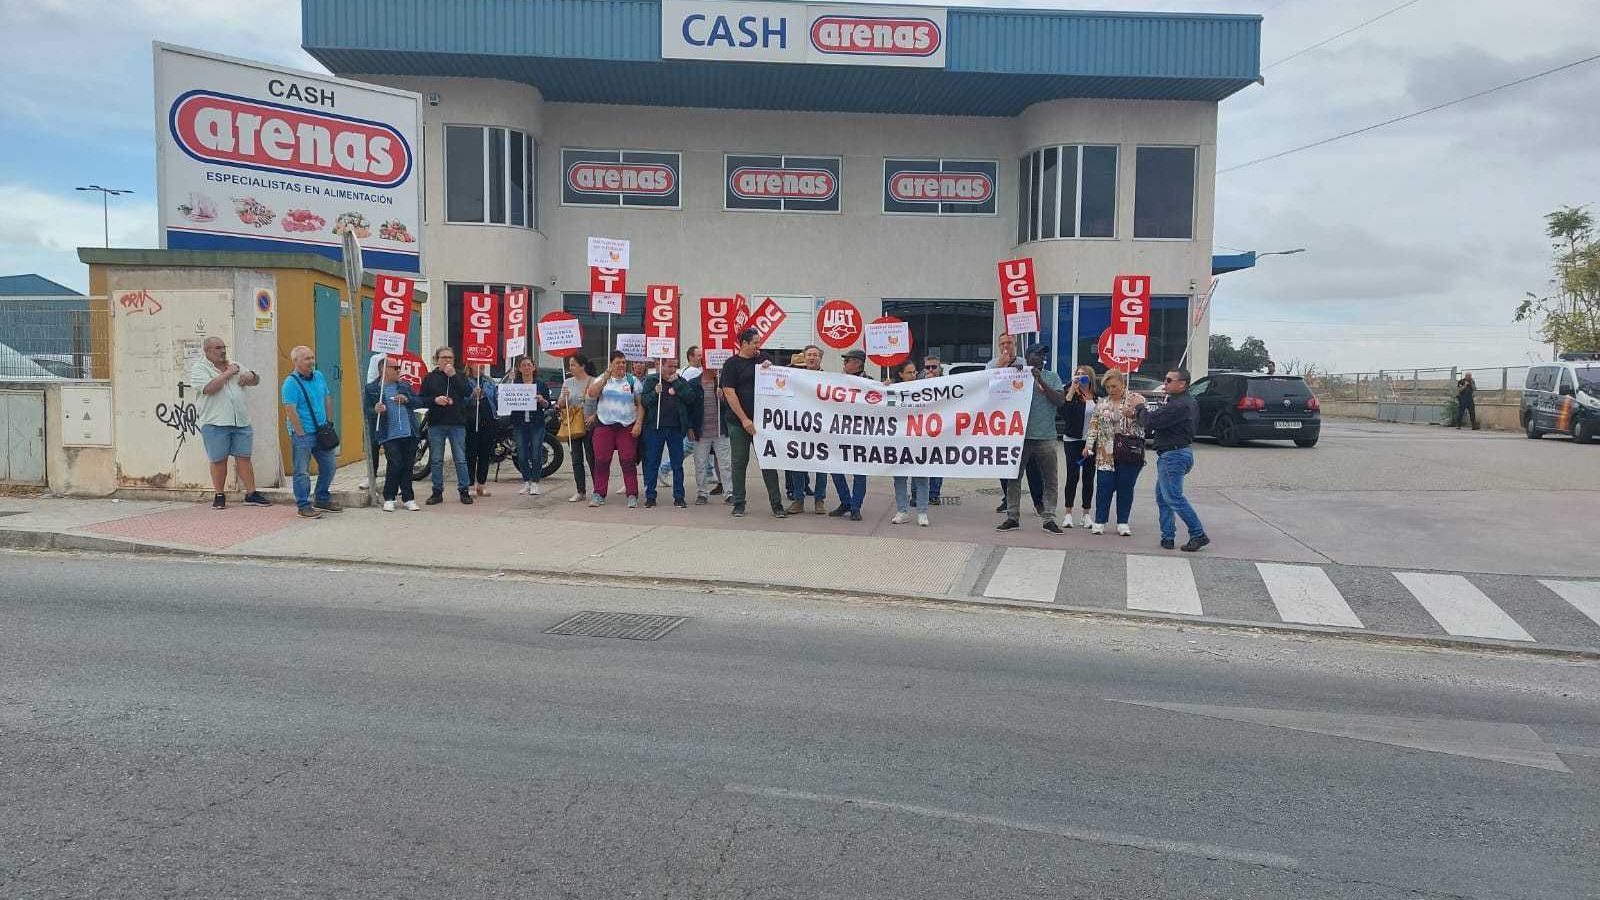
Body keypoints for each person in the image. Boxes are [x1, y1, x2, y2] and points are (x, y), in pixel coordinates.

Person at [189, 336, 269, 509]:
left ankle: (251, 493)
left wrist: (251, 375)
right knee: (218, 460)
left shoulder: (234, 364)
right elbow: (209, 389)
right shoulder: (200, 368)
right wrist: (228, 373)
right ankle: (219, 494)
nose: (222, 351)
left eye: (223, 347)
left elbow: (256, 381)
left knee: (244, 458)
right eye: (217, 348)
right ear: (207, 351)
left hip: (240, 421)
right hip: (215, 422)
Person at [998, 344, 1064, 533]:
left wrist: (1040, 380)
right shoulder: (1016, 374)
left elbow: (1060, 401)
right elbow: (996, 394)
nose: (1041, 357)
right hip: (1020, 437)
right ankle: (1012, 517)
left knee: (1050, 480)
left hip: (1046, 437)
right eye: (1037, 354)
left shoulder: (1052, 376)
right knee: (1014, 478)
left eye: (1043, 354)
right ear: (1027, 357)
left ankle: (1049, 518)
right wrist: (1011, 372)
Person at [721, 328, 786, 519]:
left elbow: (780, 381)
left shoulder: (763, 358)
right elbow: (729, 393)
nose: (759, 346)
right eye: (755, 342)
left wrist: (771, 368)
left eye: (759, 342)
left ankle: (777, 504)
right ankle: (739, 503)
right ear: (744, 343)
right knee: (739, 462)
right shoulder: (731, 364)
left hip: (763, 423)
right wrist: (744, 420)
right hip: (738, 422)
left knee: (768, 462)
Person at [1148, 367, 1208, 552]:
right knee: (1163, 496)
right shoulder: (1181, 402)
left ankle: (1198, 534)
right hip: (1175, 453)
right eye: (1165, 379)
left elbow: (1151, 421)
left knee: (1173, 497)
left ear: (1182, 384)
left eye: (1168, 380)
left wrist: (1140, 407)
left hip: (1173, 455)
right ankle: (1167, 536)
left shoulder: (1179, 405)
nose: (1164, 383)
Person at [280, 345, 341, 518]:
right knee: (302, 471)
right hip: (304, 434)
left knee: (329, 466)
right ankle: (303, 504)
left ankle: (322, 497)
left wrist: (329, 422)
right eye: (307, 358)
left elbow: (327, 398)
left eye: (312, 357)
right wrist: (300, 432)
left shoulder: (319, 376)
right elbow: (290, 409)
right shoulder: (291, 383)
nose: (311, 361)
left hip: (322, 430)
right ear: (296, 361)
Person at [1083, 370, 1147, 536]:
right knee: (1104, 486)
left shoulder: (1136, 400)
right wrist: (1088, 445)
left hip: (1128, 452)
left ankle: (1123, 522)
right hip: (1106, 453)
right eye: (1108, 387)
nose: (1111, 389)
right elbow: (1093, 426)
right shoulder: (1102, 403)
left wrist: (1132, 415)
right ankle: (1100, 521)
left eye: (1114, 386)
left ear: (1123, 384)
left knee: (1126, 487)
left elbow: (1145, 425)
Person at [988, 334, 1043, 515]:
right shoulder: (991, 364)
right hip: (1004, 424)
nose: (1006, 347)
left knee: (1032, 466)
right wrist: (1002, 367)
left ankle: (1039, 503)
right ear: (998, 346)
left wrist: (1024, 370)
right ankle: (1008, 499)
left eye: (1009, 343)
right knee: (1005, 465)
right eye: (1003, 343)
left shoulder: (1025, 361)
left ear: (1015, 345)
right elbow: (987, 387)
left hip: (1025, 423)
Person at [586, 350, 644, 508]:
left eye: (623, 362)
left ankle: (632, 494)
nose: (621, 365)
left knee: (628, 460)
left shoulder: (633, 381)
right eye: (618, 362)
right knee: (602, 461)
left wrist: (638, 423)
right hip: (605, 425)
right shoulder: (602, 379)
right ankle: (599, 494)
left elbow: (640, 405)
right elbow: (591, 394)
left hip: (626, 426)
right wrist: (605, 377)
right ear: (611, 364)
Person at [640, 355, 700, 509]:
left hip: (675, 428)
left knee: (677, 464)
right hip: (655, 428)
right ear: (661, 366)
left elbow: (690, 399)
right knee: (653, 462)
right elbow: (644, 401)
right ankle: (650, 496)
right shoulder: (652, 380)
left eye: (675, 367)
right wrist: (655, 393)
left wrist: (677, 384)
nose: (673, 370)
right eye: (670, 366)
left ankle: (679, 496)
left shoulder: (680, 381)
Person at [417, 347, 474, 505]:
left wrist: (453, 376)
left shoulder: (460, 375)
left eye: (450, 357)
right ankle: (437, 491)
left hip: (457, 423)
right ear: (437, 360)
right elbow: (421, 399)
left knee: (461, 459)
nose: (447, 360)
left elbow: (467, 392)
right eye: (443, 357)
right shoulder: (430, 378)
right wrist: (435, 400)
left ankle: (464, 490)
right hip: (436, 423)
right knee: (436, 459)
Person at [365, 356, 422, 512]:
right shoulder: (372, 388)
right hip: (388, 433)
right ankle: (389, 497)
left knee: (408, 464)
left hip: (409, 431)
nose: (399, 370)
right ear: (383, 370)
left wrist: (406, 399)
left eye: (399, 367)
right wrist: (375, 410)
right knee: (395, 462)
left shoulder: (404, 385)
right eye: (395, 368)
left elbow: (418, 402)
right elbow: (366, 410)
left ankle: (408, 497)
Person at [827, 349, 872, 521]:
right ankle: (845, 501)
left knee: (860, 472)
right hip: (839, 431)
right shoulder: (837, 381)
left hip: (861, 434)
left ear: (858, 363)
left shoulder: (870, 383)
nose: (844, 364)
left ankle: (855, 507)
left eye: (847, 361)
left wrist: (886, 387)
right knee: (834, 467)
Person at [785, 344, 828, 514]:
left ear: (820, 358)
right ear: (804, 357)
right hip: (799, 428)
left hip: (821, 428)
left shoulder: (829, 379)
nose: (811, 357)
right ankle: (798, 500)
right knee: (797, 464)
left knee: (821, 466)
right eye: (809, 354)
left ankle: (819, 500)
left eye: (815, 355)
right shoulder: (795, 377)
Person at [889, 360, 932, 526]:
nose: (913, 375)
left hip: (920, 440)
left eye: (914, 372)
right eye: (909, 372)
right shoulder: (893, 391)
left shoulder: (924, 389)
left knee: (921, 478)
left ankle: (922, 512)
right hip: (899, 441)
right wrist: (886, 388)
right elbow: (888, 409)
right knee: (900, 479)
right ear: (900, 374)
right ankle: (902, 511)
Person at [1058, 364, 1099, 528]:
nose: (1080, 377)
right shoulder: (1072, 393)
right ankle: (1068, 513)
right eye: (1078, 374)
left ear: (1090, 377)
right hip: (1073, 440)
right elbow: (1062, 412)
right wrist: (1072, 390)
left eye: (1084, 375)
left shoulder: (1096, 395)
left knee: (1089, 476)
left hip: (1090, 441)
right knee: (1073, 476)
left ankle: (1086, 514)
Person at [508, 355, 551, 496]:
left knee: (536, 453)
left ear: (533, 367)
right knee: (521, 454)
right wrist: (510, 381)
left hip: (536, 423)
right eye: (523, 365)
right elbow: (505, 398)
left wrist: (542, 400)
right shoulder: (515, 384)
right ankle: (526, 481)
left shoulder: (541, 384)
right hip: (520, 423)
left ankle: (535, 482)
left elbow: (547, 404)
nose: (526, 368)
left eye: (529, 365)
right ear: (519, 368)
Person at [691, 366, 733, 506]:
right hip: (701, 432)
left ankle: (729, 493)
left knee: (725, 464)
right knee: (700, 465)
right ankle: (702, 493)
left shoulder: (722, 382)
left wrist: (723, 398)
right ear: (704, 365)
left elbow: (731, 405)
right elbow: (688, 406)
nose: (716, 368)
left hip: (720, 431)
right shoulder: (694, 383)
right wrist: (690, 427)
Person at [559, 354, 597, 503]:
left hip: (589, 425)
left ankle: (598, 489)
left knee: (591, 457)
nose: (571, 368)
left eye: (573, 364)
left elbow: (601, 402)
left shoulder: (594, 381)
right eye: (570, 365)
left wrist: (594, 415)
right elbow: (561, 404)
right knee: (576, 459)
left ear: (582, 366)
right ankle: (580, 490)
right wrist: (564, 397)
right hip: (573, 424)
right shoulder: (567, 382)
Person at [463, 362, 499, 497]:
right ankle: (470, 484)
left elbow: (495, 399)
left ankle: (482, 484)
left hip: (488, 420)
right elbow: (462, 401)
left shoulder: (489, 381)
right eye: (478, 363)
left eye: (483, 363)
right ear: (470, 365)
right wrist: (473, 396)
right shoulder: (465, 381)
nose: (482, 365)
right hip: (471, 421)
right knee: (471, 453)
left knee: (485, 453)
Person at [923, 354, 945, 506]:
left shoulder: (948, 383)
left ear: (940, 368)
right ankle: (917, 493)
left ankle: (934, 494)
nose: (931, 370)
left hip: (942, 429)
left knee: (937, 462)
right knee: (919, 461)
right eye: (927, 367)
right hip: (921, 429)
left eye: (934, 367)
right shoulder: (917, 383)